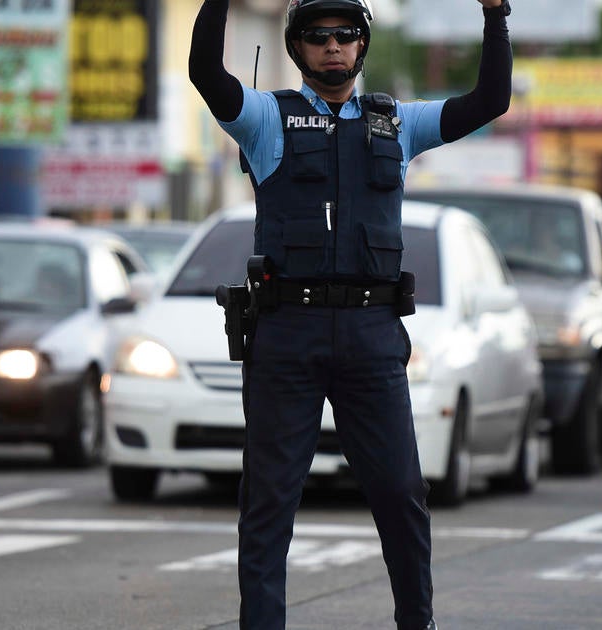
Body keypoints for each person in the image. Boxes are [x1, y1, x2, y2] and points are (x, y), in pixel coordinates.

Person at [189, 0, 511, 628]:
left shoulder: (398, 122)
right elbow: (206, 72)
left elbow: (489, 101)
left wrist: (495, 15)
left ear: (362, 45)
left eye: (345, 36)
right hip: (287, 335)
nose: (332, 47)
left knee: (401, 496)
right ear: (297, 48)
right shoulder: (264, 119)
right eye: (317, 37)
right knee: (269, 504)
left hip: (371, 337)